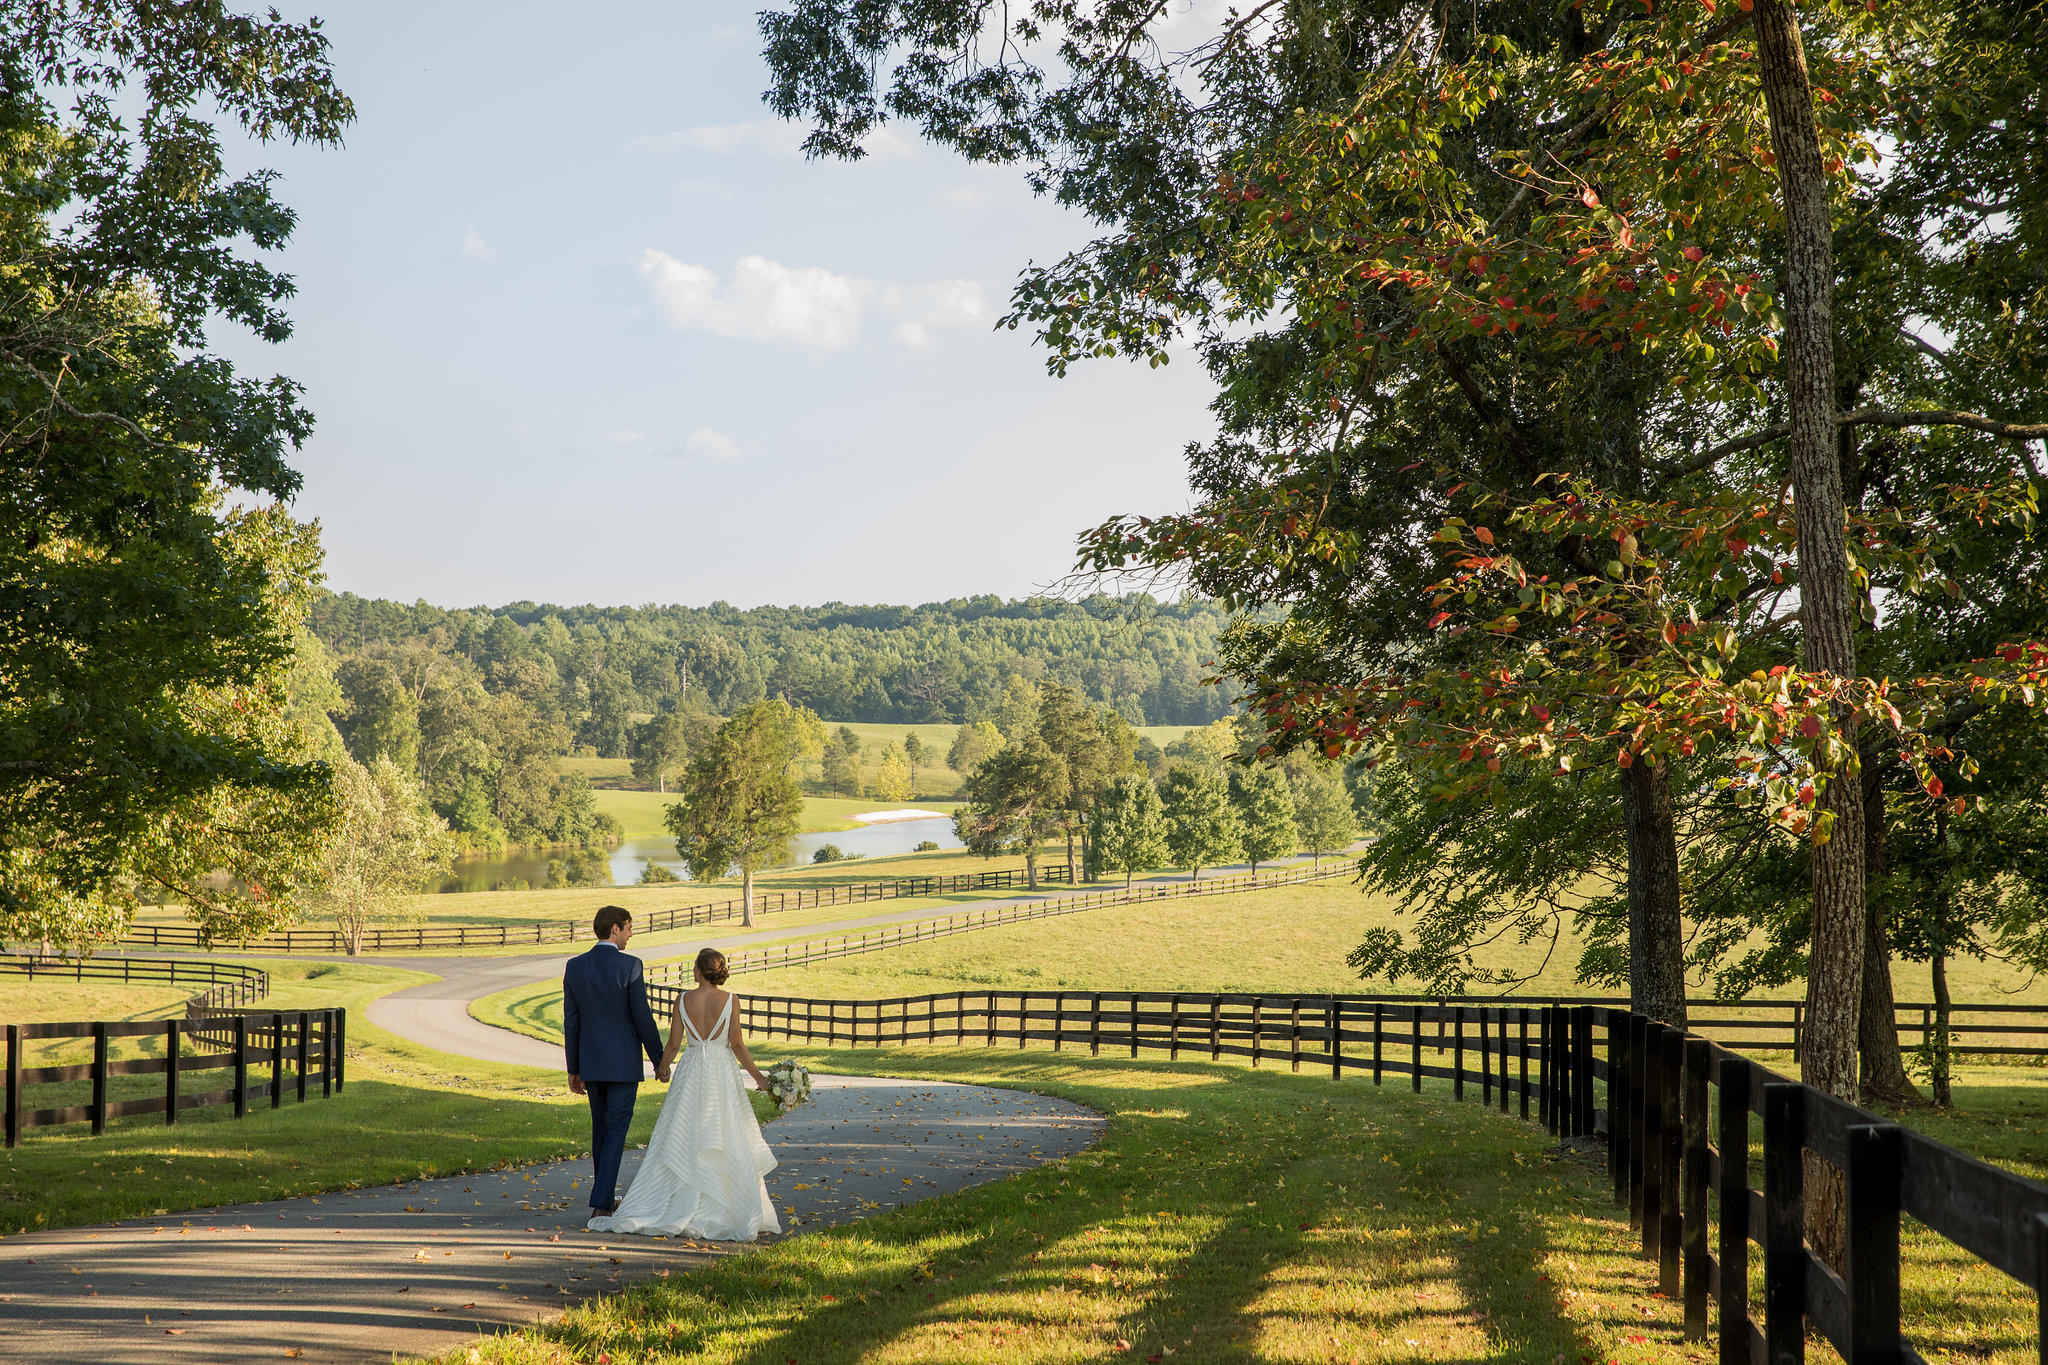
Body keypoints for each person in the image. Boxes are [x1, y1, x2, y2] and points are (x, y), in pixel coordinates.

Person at [588, 947, 780, 1240]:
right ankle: (724, 1205)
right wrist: (760, 1079)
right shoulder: (730, 1000)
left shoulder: (683, 999)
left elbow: (674, 1045)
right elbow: (737, 1045)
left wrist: (662, 1068)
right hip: (721, 1070)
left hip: (691, 1070)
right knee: (724, 1129)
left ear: (699, 971)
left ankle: (677, 1197)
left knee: (683, 1130)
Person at [562, 905, 664, 1220]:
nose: (631, 935)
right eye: (629, 928)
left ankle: (604, 1198)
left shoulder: (575, 966)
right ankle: (601, 1205)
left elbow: (572, 1022)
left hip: (591, 1063)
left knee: (602, 1131)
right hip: (622, 1064)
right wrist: (659, 1059)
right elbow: (643, 1017)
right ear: (615, 928)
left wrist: (573, 1068)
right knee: (616, 1129)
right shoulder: (631, 965)